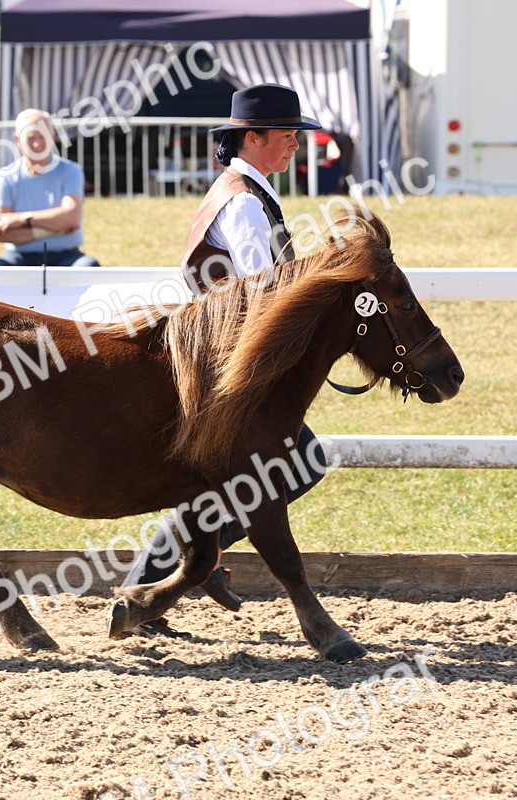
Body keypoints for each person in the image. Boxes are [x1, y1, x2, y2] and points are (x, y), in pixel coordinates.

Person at [121, 83, 329, 634]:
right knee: (297, 460)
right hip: (223, 360)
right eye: (287, 136)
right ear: (253, 138)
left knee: (252, 473)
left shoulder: (244, 192)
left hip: (222, 354)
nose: (294, 146)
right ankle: (184, 568)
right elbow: (265, 291)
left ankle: (182, 569)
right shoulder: (242, 201)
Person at [0, 109, 100, 267]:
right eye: (30, 138)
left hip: (66, 257)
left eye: (42, 136)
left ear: (53, 137)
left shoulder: (70, 171)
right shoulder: (5, 176)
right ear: (17, 140)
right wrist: (56, 228)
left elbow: (71, 218)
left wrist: (22, 219)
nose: (37, 144)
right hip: (18, 257)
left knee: (87, 266)